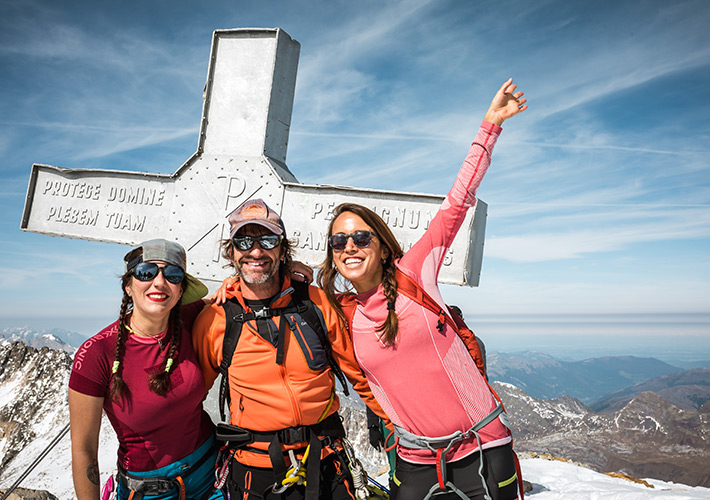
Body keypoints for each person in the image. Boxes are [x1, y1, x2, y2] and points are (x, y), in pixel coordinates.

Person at [317, 79, 527, 500]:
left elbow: (458, 201)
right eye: (339, 241)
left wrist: (490, 125)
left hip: (483, 449)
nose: (350, 247)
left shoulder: (415, 274)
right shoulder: (338, 312)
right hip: (412, 462)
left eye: (361, 237)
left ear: (381, 244)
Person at [192, 199, 390, 500]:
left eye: (267, 240)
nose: (255, 251)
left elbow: (362, 378)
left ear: (283, 250)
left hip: (325, 461)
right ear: (231, 253)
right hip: (255, 471)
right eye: (243, 241)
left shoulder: (315, 303)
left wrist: (398, 436)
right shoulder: (217, 319)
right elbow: (192, 396)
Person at [68, 239, 224, 500]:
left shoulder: (188, 318)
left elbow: (241, 289)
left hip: (212, 474)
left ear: (180, 290)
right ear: (128, 286)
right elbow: (83, 449)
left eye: (173, 275)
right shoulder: (96, 354)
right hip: (149, 490)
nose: (160, 282)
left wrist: (292, 271)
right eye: (146, 273)